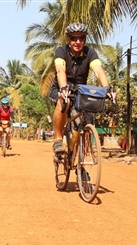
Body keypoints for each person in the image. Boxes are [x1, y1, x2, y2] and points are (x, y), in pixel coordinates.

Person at [49, 22, 110, 154]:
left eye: (81, 38)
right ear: (68, 39)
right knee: (64, 101)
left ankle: (79, 165)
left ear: (84, 40)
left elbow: (98, 70)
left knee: (84, 123)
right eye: (73, 38)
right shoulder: (61, 51)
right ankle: (58, 140)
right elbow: (60, 70)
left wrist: (108, 88)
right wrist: (63, 88)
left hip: (80, 91)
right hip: (60, 87)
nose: (77, 42)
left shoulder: (90, 53)